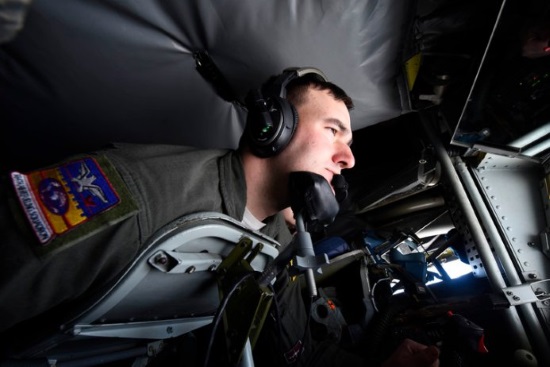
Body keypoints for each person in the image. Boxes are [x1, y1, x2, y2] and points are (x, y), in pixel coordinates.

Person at [0, 67, 438, 366]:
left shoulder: (276, 241)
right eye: (332, 131)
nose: (348, 159)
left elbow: (293, 352)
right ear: (274, 126)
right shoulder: (135, 191)